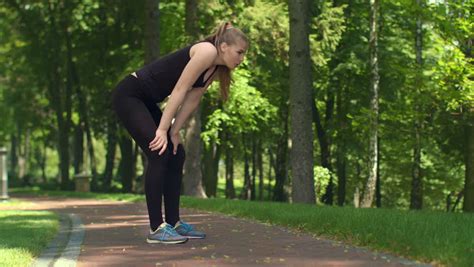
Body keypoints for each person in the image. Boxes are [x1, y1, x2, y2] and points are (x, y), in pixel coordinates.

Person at [112, 22, 248, 244]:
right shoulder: (206, 51)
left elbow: (192, 99)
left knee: (177, 153)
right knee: (159, 151)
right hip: (130, 95)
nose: (242, 58)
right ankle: (157, 229)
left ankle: (173, 223)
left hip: (145, 101)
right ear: (224, 46)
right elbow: (180, 90)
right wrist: (163, 129)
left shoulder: (214, 67)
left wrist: (174, 131)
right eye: (240, 52)